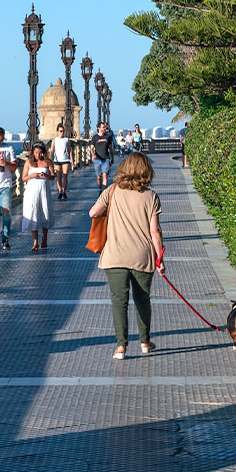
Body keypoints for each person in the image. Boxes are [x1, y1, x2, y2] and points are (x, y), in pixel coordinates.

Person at [89, 151, 165, 357]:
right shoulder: (151, 196)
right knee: (142, 299)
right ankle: (144, 342)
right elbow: (155, 232)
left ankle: (121, 346)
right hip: (142, 255)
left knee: (119, 300)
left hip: (115, 255)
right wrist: (160, 259)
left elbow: (93, 212)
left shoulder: (111, 191)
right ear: (146, 171)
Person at [21, 143, 55, 250]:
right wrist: (31, 176)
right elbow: (23, 178)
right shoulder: (28, 163)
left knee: (44, 212)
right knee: (33, 212)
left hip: (44, 191)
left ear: (43, 152)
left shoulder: (47, 162)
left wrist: (45, 175)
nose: (38, 155)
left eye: (40, 153)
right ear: (33, 152)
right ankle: (35, 241)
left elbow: (53, 177)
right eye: (36, 153)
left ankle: (44, 237)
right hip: (31, 191)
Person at [50, 123, 73, 200]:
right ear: (57, 131)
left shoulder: (66, 140)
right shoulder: (54, 140)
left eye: (63, 131)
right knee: (59, 177)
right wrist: (49, 159)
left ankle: (64, 191)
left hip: (65, 160)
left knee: (65, 176)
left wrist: (72, 161)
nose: (62, 132)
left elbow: (70, 150)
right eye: (60, 131)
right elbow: (52, 150)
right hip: (57, 160)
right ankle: (60, 191)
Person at [91, 122, 116, 187]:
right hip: (97, 159)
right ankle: (100, 188)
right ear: (99, 128)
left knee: (105, 176)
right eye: (103, 127)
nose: (105, 128)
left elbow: (110, 148)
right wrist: (93, 154)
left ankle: (103, 190)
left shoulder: (107, 137)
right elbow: (91, 148)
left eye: (105, 127)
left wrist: (112, 157)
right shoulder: (95, 138)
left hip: (106, 159)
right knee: (99, 177)